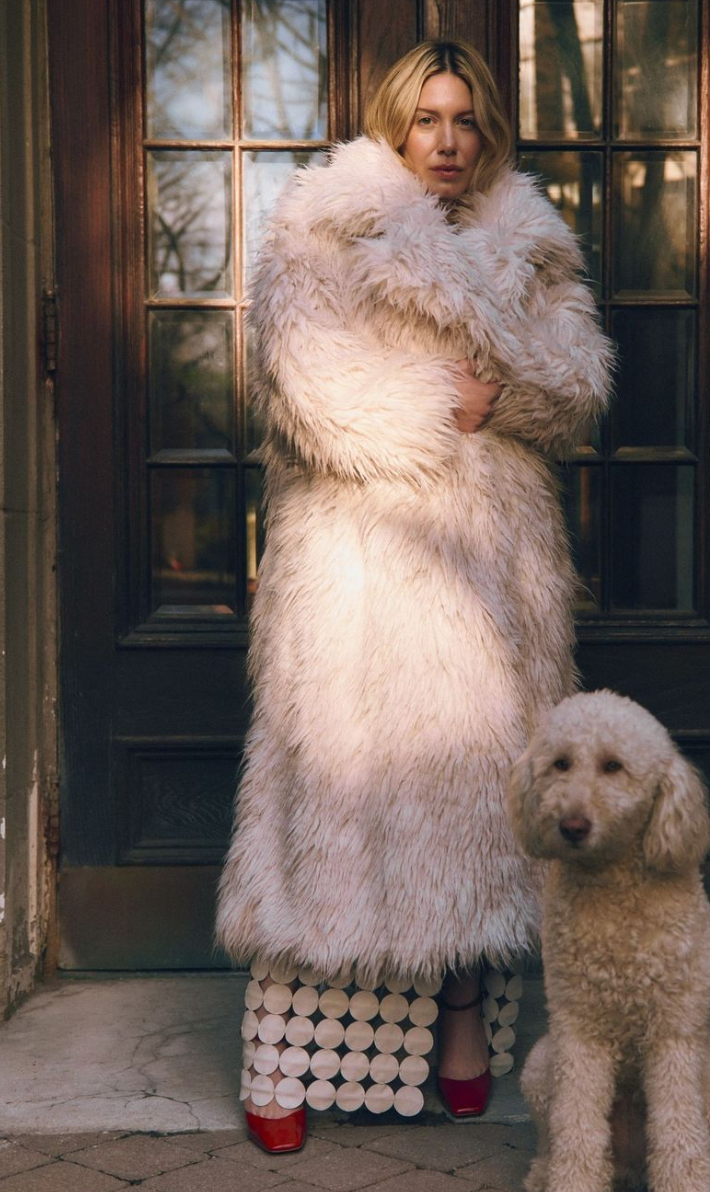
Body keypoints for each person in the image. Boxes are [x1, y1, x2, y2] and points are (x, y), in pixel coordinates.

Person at [215, 38, 613, 1153]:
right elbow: (305, 384)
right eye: (426, 119)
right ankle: (281, 1055)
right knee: (334, 806)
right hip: (364, 565)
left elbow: (578, 386)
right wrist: (446, 398)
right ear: (394, 125)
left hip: (496, 579)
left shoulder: (530, 242)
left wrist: (514, 396)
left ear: (487, 132)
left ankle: (460, 1026)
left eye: (466, 121)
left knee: (483, 811)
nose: (446, 141)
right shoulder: (322, 222)